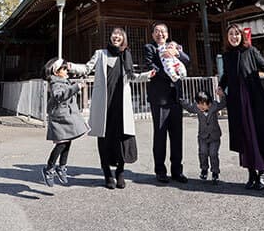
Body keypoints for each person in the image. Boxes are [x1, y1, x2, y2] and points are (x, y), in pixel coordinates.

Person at [68, 28, 155, 189]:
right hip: (104, 104)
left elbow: (132, 77)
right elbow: (87, 68)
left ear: (123, 39)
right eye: (114, 34)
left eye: (120, 35)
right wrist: (71, 66)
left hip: (121, 104)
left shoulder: (125, 55)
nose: (116, 36)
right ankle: (107, 173)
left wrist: (147, 75)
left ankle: (120, 171)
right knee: (104, 138)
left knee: (121, 138)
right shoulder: (100, 54)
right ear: (110, 37)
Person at [219, 25, 264, 190]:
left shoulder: (251, 51)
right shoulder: (227, 56)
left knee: (256, 133)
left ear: (242, 36)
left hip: (253, 97)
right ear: (227, 37)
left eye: (237, 34)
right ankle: (250, 173)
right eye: (231, 34)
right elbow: (226, 74)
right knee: (243, 135)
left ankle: (261, 171)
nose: (234, 37)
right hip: (236, 100)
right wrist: (221, 86)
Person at [143, 23, 190, 183]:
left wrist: (176, 53)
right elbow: (150, 66)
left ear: (167, 33)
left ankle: (177, 170)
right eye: (157, 31)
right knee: (160, 134)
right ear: (152, 35)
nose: (160, 34)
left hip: (175, 97)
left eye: (163, 31)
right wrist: (170, 74)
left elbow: (186, 60)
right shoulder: (150, 48)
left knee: (177, 135)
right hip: (159, 98)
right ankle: (160, 170)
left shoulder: (173, 46)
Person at [41, 58, 90, 187]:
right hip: (60, 118)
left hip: (67, 117)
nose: (66, 70)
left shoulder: (63, 80)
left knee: (67, 142)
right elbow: (59, 95)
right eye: (63, 69)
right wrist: (76, 87)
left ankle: (61, 167)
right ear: (56, 72)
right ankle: (49, 168)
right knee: (62, 144)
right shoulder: (55, 82)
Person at [180, 89, 226, 183]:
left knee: (213, 154)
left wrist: (223, 95)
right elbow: (188, 107)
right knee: (203, 153)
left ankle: (215, 172)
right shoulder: (197, 108)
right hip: (202, 137)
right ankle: (204, 169)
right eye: (198, 104)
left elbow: (223, 104)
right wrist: (180, 100)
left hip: (214, 137)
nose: (200, 106)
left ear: (209, 103)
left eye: (202, 104)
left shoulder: (214, 106)